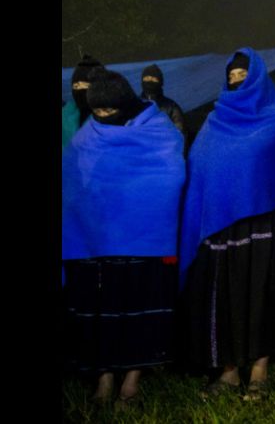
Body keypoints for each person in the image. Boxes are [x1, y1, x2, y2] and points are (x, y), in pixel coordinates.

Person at [62, 68, 185, 408]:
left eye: (108, 110)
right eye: (97, 111)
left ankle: (131, 382)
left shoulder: (159, 131)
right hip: (95, 242)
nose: (103, 118)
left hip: (145, 242)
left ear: (126, 103)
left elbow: (169, 177)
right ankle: (103, 380)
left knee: (139, 311)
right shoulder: (88, 135)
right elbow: (73, 183)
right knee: (102, 312)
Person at [179, 48, 275, 402]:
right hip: (220, 227)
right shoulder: (214, 122)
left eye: (243, 77)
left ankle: (259, 370)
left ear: (258, 80)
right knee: (223, 297)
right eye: (231, 78)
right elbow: (200, 166)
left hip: (260, 225)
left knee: (260, 294)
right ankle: (228, 371)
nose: (236, 82)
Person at [63, 54, 103, 148]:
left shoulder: (112, 118)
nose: (80, 91)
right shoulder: (66, 115)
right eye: (76, 86)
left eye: (85, 85)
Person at [139, 63, 186, 139]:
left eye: (153, 79)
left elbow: (180, 134)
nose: (150, 81)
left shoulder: (171, 107)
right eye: (147, 78)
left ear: (160, 82)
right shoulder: (135, 105)